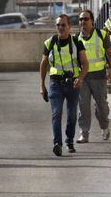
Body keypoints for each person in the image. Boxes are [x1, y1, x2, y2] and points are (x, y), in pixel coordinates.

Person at [39, 14, 88, 156]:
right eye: (58, 25)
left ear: (69, 27)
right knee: (56, 113)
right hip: (55, 83)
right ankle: (57, 144)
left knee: (72, 115)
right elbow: (43, 65)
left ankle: (69, 141)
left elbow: (85, 64)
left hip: (73, 83)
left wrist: (80, 78)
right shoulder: (49, 43)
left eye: (63, 25)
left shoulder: (77, 42)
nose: (60, 27)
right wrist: (42, 86)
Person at [76, 10, 111, 143]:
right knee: (83, 107)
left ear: (92, 21)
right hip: (83, 78)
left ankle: (104, 127)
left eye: (86, 19)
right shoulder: (76, 39)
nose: (83, 22)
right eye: (81, 19)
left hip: (99, 77)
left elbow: (110, 54)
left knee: (102, 107)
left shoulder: (101, 34)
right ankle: (84, 132)